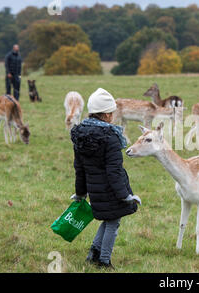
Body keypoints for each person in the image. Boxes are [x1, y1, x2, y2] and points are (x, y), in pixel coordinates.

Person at [70, 88, 141, 269]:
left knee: (108, 219)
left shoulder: (80, 135)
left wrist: (80, 193)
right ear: (107, 115)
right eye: (112, 112)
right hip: (111, 189)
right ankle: (104, 261)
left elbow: (79, 168)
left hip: (95, 189)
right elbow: (114, 171)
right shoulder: (110, 137)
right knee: (113, 223)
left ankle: (93, 253)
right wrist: (125, 196)